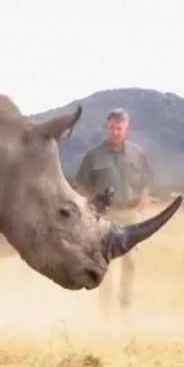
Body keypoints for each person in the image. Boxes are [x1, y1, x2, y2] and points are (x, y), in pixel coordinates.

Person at [74, 108, 154, 312]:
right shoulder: (93, 156)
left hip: (131, 214)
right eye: (112, 128)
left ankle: (125, 307)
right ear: (106, 128)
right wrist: (87, 214)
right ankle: (105, 311)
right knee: (104, 264)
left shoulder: (138, 154)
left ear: (126, 128)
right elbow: (82, 188)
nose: (115, 132)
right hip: (104, 215)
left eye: (119, 128)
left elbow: (146, 182)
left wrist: (143, 204)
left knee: (131, 262)